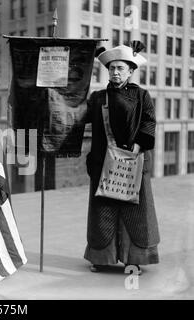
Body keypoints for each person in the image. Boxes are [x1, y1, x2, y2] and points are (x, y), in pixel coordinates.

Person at [84, 42, 160, 274]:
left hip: (133, 162)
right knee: (103, 210)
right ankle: (102, 258)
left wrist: (137, 146)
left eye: (120, 68)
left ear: (130, 71)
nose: (115, 72)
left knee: (133, 212)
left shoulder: (141, 95)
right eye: (112, 68)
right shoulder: (98, 98)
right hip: (102, 162)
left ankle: (133, 258)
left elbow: (148, 122)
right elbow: (80, 118)